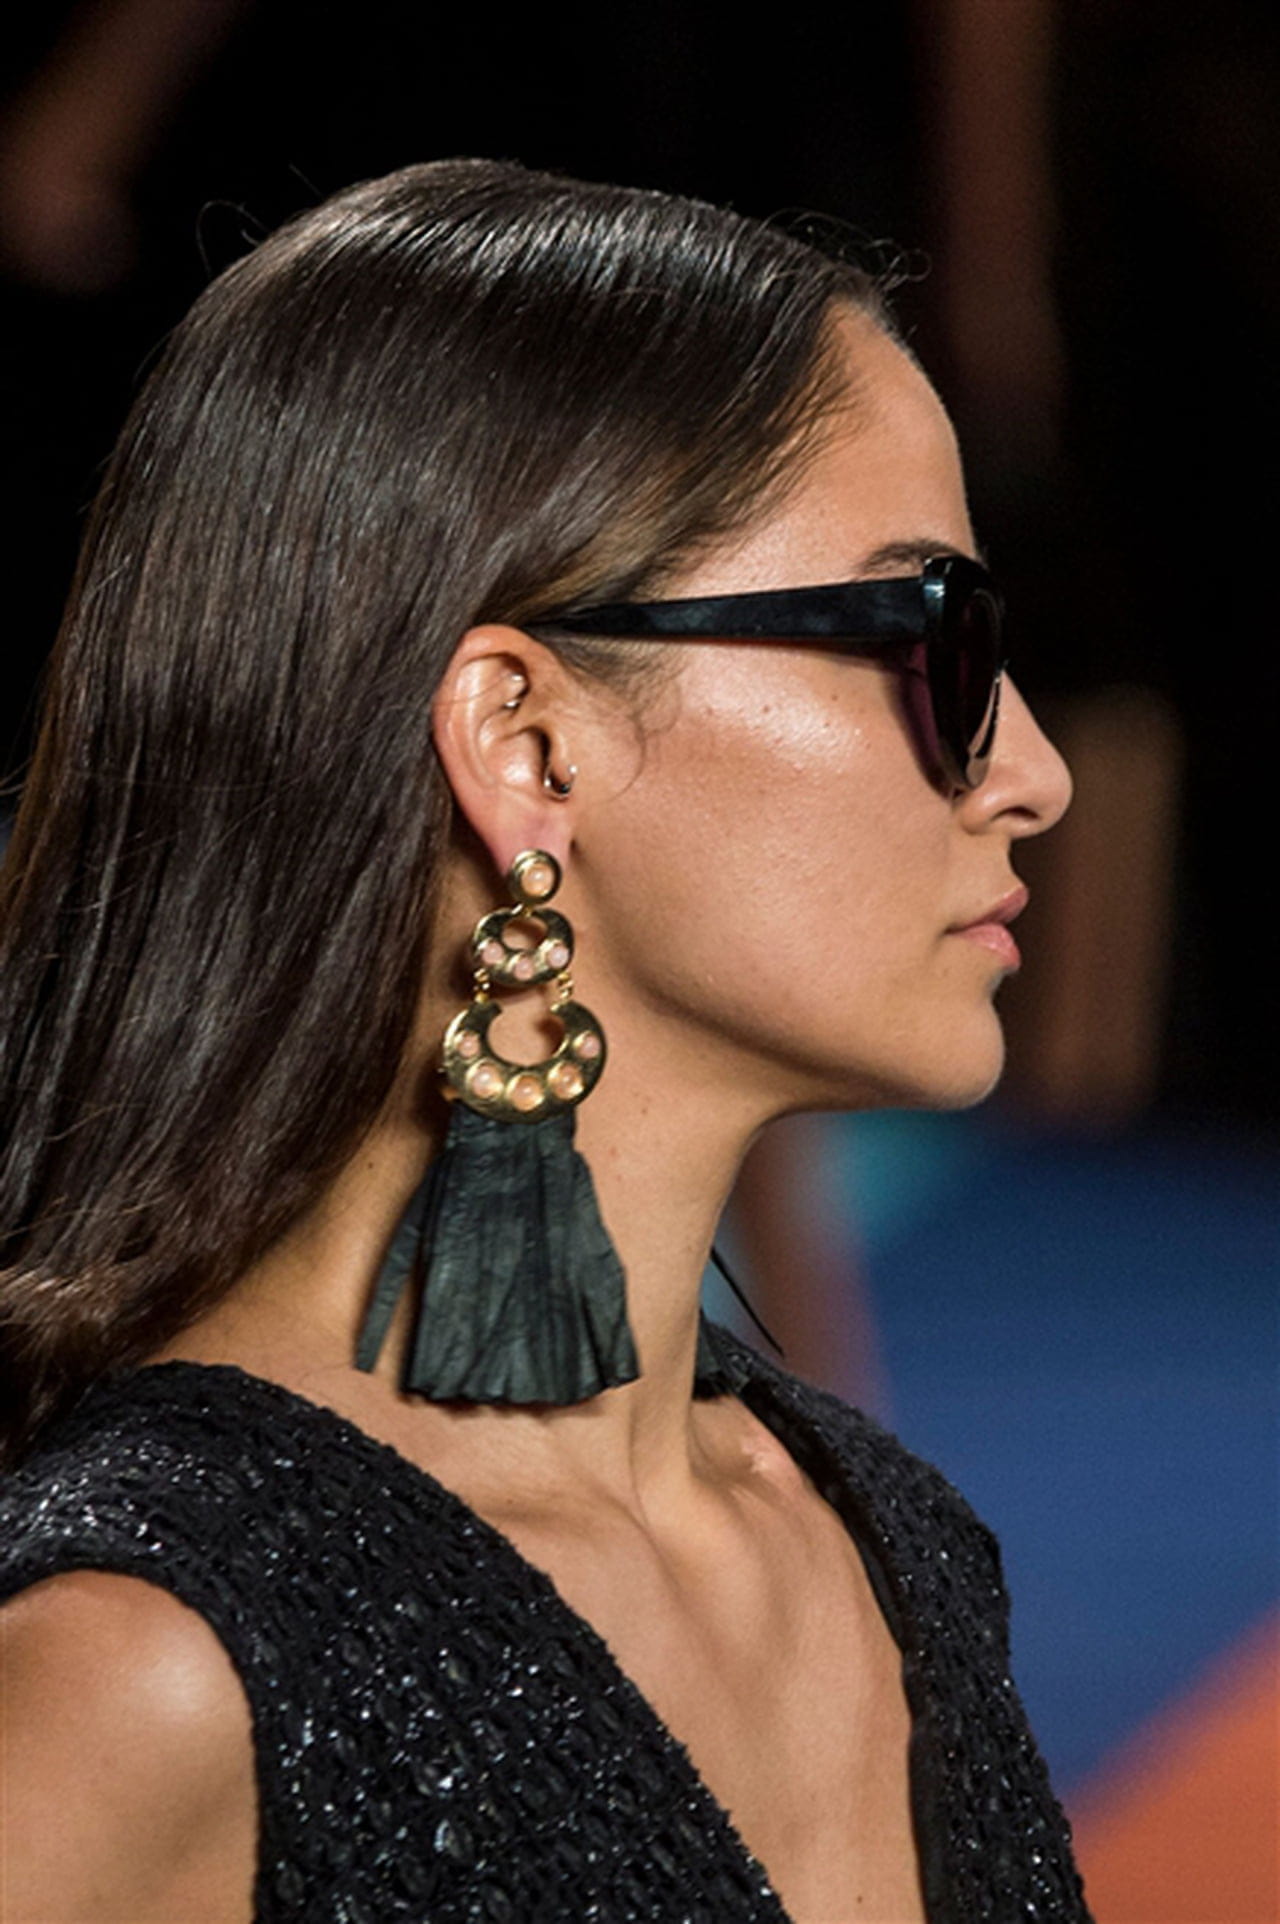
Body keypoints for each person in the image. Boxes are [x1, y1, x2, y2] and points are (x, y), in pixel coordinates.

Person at [0, 160, 1086, 1922]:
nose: (1031, 772)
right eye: (937, 640)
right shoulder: (131, 1680)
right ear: (525, 740)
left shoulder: (891, 1544)